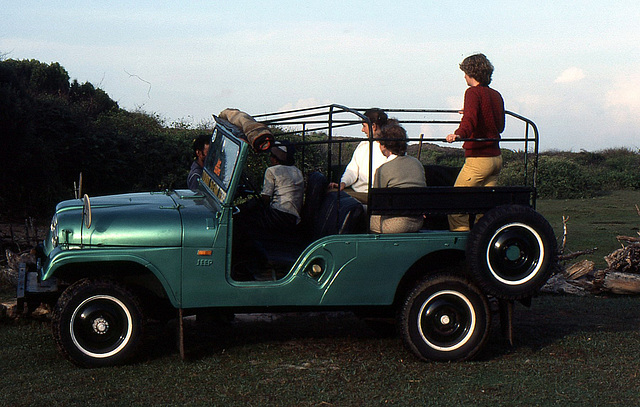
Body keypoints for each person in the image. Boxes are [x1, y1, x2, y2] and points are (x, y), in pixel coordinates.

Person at [445, 53, 505, 231]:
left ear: (471, 73)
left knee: (456, 205)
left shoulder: (472, 93)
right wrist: (472, 112)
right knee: (484, 209)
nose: (464, 76)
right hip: (496, 158)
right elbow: (499, 126)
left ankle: (461, 244)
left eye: (465, 72)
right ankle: (482, 241)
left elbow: (470, 120)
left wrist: (458, 134)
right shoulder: (496, 95)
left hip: (479, 159)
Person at [232, 140, 304, 279]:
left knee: (241, 223)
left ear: (276, 158)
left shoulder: (272, 171)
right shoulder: (298, 172)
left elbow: (265, 199)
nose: (270, 158)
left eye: (272, 156)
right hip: (292, 218)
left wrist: (243, 207)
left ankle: (251, 265)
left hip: (278, 217)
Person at [370, 122, 426, 234]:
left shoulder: (383, 169)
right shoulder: (417, 163)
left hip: (393, 224)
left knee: (363, 212)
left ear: (384, 145)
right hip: (417, 222)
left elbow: (376, 203)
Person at [328, 108, 389, 203]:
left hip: (372, 194)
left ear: (373, 126)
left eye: (364, 126)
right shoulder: (363, 145)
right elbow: (352, 170)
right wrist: (343, 183)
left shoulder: (389, 148)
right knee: (330, 193)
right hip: (357, 191)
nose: (362, 130)